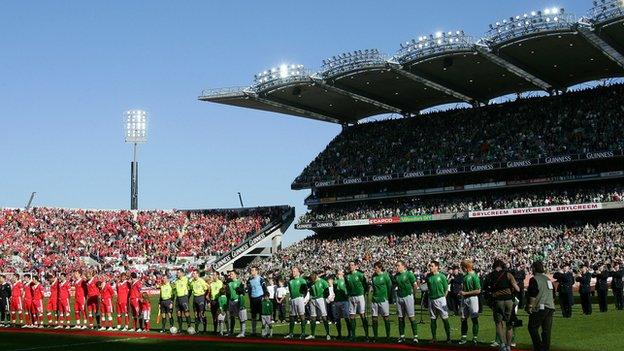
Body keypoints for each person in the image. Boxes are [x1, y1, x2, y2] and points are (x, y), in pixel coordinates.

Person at [486, 259, 520, 351]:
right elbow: (517, 289)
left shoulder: (490, 275)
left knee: (498, 323)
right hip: (508, 300)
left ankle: (502, 345)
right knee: (509, 324)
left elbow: (486, 289)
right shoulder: (508, 274)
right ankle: (509, 346)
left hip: (497, 301)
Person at [525, 261, 555, 351]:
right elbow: (553, 294)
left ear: (534, 268)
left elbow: (533, 294)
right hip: (550, 307)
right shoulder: (548, 279)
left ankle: (538, 347)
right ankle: (545, 348)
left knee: (532, 327)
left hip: (540, 307)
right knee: (546, 330)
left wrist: (530, 306)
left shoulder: (534, 279)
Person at [393, 260, 418, 343]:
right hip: (399, 297)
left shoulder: (409, 274)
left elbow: (415, 285)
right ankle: (402, 336)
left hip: (408, 296)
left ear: (403, 266)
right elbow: (395, 285)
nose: (396, 267)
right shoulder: (396, 275)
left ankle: (415, 337)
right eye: (396, 266)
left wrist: (413, 295)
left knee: (411, 317)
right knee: (400, 317)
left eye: (398, 265)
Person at [426, 260, 451, 343]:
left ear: (437, 267)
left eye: (432, 266)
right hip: (431, 299)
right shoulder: (428, 276)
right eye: (430, 266)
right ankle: (434, 338)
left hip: (440, 299)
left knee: (445, 319)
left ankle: (448, 338)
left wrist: (443, 298)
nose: (430, 267)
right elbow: (428, 287)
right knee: (433, 319)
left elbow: (446, 288)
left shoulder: (442, 276)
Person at [459, 259, 481, 345]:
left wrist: (465, 293)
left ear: (467, 268)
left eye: (462, 267)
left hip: (472, 299)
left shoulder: (474, 276)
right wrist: (461, 292)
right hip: (465, 298)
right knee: (463, 318)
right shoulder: (465, 276)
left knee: (474, 318)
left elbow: (478, 290)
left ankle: (475, 338)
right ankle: (463, 338)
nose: (461, 269)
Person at [345, 261, 369, 341]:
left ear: (356, 266)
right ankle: (353, 335)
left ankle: (367, 335)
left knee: (362, 315)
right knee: (352, 315)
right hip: (351, 297)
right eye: (350, 265)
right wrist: (348, 293)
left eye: (352, 265)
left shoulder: (360, 274)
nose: (350, 266)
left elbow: (365, 284)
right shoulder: (347, 276)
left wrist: (364, 292)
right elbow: (347, 286)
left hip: (359, 296)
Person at [285, 266, 308, 339]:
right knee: (292, 317)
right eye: (292, 271)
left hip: (299, 298)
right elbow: (290, 291)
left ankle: (303, 333)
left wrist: (303, 298)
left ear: (298, 272)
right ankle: (291, 333)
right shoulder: (290, 281)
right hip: (293, 299)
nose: (293, 272)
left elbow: (306, 290)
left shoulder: (302, 280)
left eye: (294, 271)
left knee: (302, 316)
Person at [307, 271, 331, 340]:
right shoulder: (311, 282)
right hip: (313, 299)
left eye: (313, 280)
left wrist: (324, 298)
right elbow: (310, 290)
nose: (312, 281)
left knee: (324, 316)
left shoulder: (323, 282)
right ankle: (312, 334)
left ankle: (328, 334)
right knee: (313, 317)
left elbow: (327, 291)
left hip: (321, 299)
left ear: (316, 276)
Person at [331, 269, 351, 339]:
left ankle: (350, 334)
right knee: (337, 319)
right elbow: (335, 291)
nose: (338, 271)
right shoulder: (335, 281)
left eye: (340, 271)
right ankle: (339, 334)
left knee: (346, 318)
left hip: (344, 301)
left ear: (343, 273)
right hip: (337, 301)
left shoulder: (345, 281)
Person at [247, 266, 266, 336]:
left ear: (256, 271)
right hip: (253, 299)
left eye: (253, 270)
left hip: (260, 298)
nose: (251, 272)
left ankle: (264, 331)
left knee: (262, 315)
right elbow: (249, 290)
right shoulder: (250, 280)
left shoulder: (261, 279)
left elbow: (265, 289)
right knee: (253, 316)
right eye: (251, 270)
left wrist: (264, 298)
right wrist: (250, 298)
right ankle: (253, 331)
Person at [226, 270, 246, 337]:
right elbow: (228, 293)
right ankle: (231, 332)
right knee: (232, 317)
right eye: (230, 274)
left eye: (232, 274)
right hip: (231, 302)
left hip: (238, 301)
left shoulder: (239, 282)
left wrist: (240, 289)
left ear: (235, 275)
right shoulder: (229, 283)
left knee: (241, 317)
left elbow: (243, 292)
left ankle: (242, 332)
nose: (230, 275)